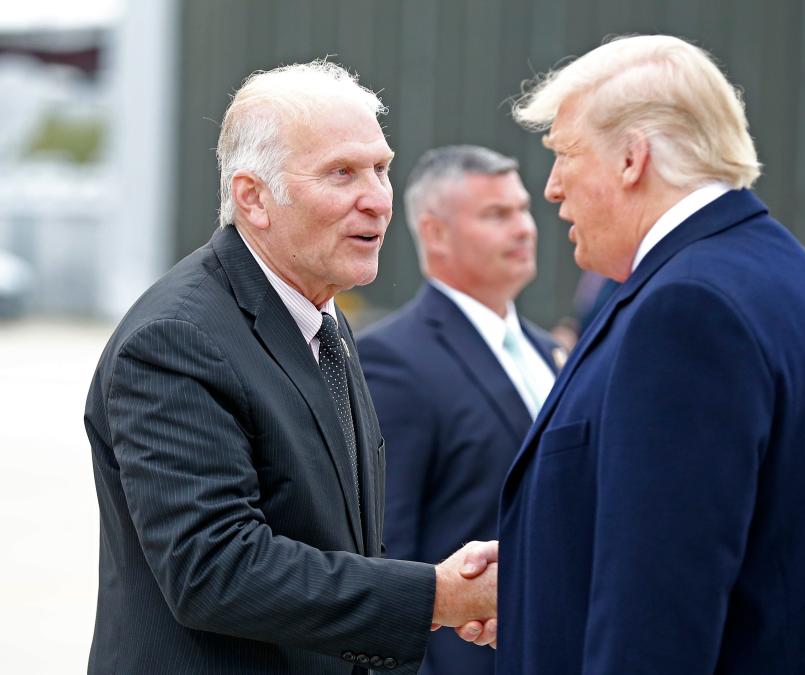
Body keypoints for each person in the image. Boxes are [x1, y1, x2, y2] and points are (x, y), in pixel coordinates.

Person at [491, 35, 805, 673]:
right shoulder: (784, 276)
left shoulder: (688, 312)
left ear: (633, 158)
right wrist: (534, 568)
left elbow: (658, 616)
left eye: (564, 155)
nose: (551, 189)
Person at [83, 60, 497, 675]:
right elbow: (215, 569)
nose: (377, 201)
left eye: (381, 168)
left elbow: (337, 538)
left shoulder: (319, 313)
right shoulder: (176, 339)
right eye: (342, 173)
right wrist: (437, 597)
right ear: (253, 197)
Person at [357, 145, 563, 675]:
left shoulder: (551, 351)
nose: (524, 229)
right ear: (435, 233)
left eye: (523, 210)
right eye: (497, 215)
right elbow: (387, 551)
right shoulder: (394, 359)